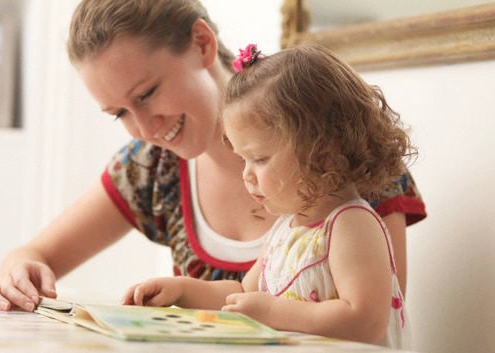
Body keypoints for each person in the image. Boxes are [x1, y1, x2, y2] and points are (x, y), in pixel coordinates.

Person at [0, 0, 425, 313]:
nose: (144, 128)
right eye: (119, 112)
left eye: (147, 93)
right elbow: (33, 255)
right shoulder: (149, 168)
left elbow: (374, 318)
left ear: (201, 43)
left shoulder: (341, 149)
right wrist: (20, 271)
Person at [122, 43, 412, 349]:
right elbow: (241, 294)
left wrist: (273, 311)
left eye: (259, 159)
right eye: (243, 160)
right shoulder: (286, 230)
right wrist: (181, 291)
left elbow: (365, 321)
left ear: (326, 152)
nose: (246, 174)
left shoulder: (351, 224)